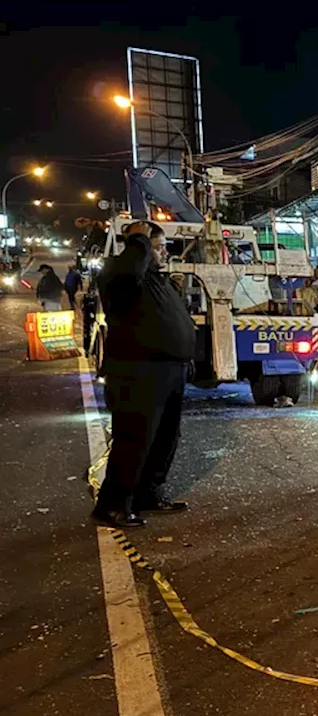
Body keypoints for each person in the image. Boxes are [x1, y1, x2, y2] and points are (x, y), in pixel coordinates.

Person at [92, 220, 195, 528]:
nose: (165, 253)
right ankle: (112, 505)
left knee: (164, 438)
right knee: (135, 438)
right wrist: (139, 241)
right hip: (138, 371)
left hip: (168, 370)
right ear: (141, 248)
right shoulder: (118, 274)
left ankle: (146, 494)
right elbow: (129, 271)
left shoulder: (153, 279)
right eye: (159, 246)